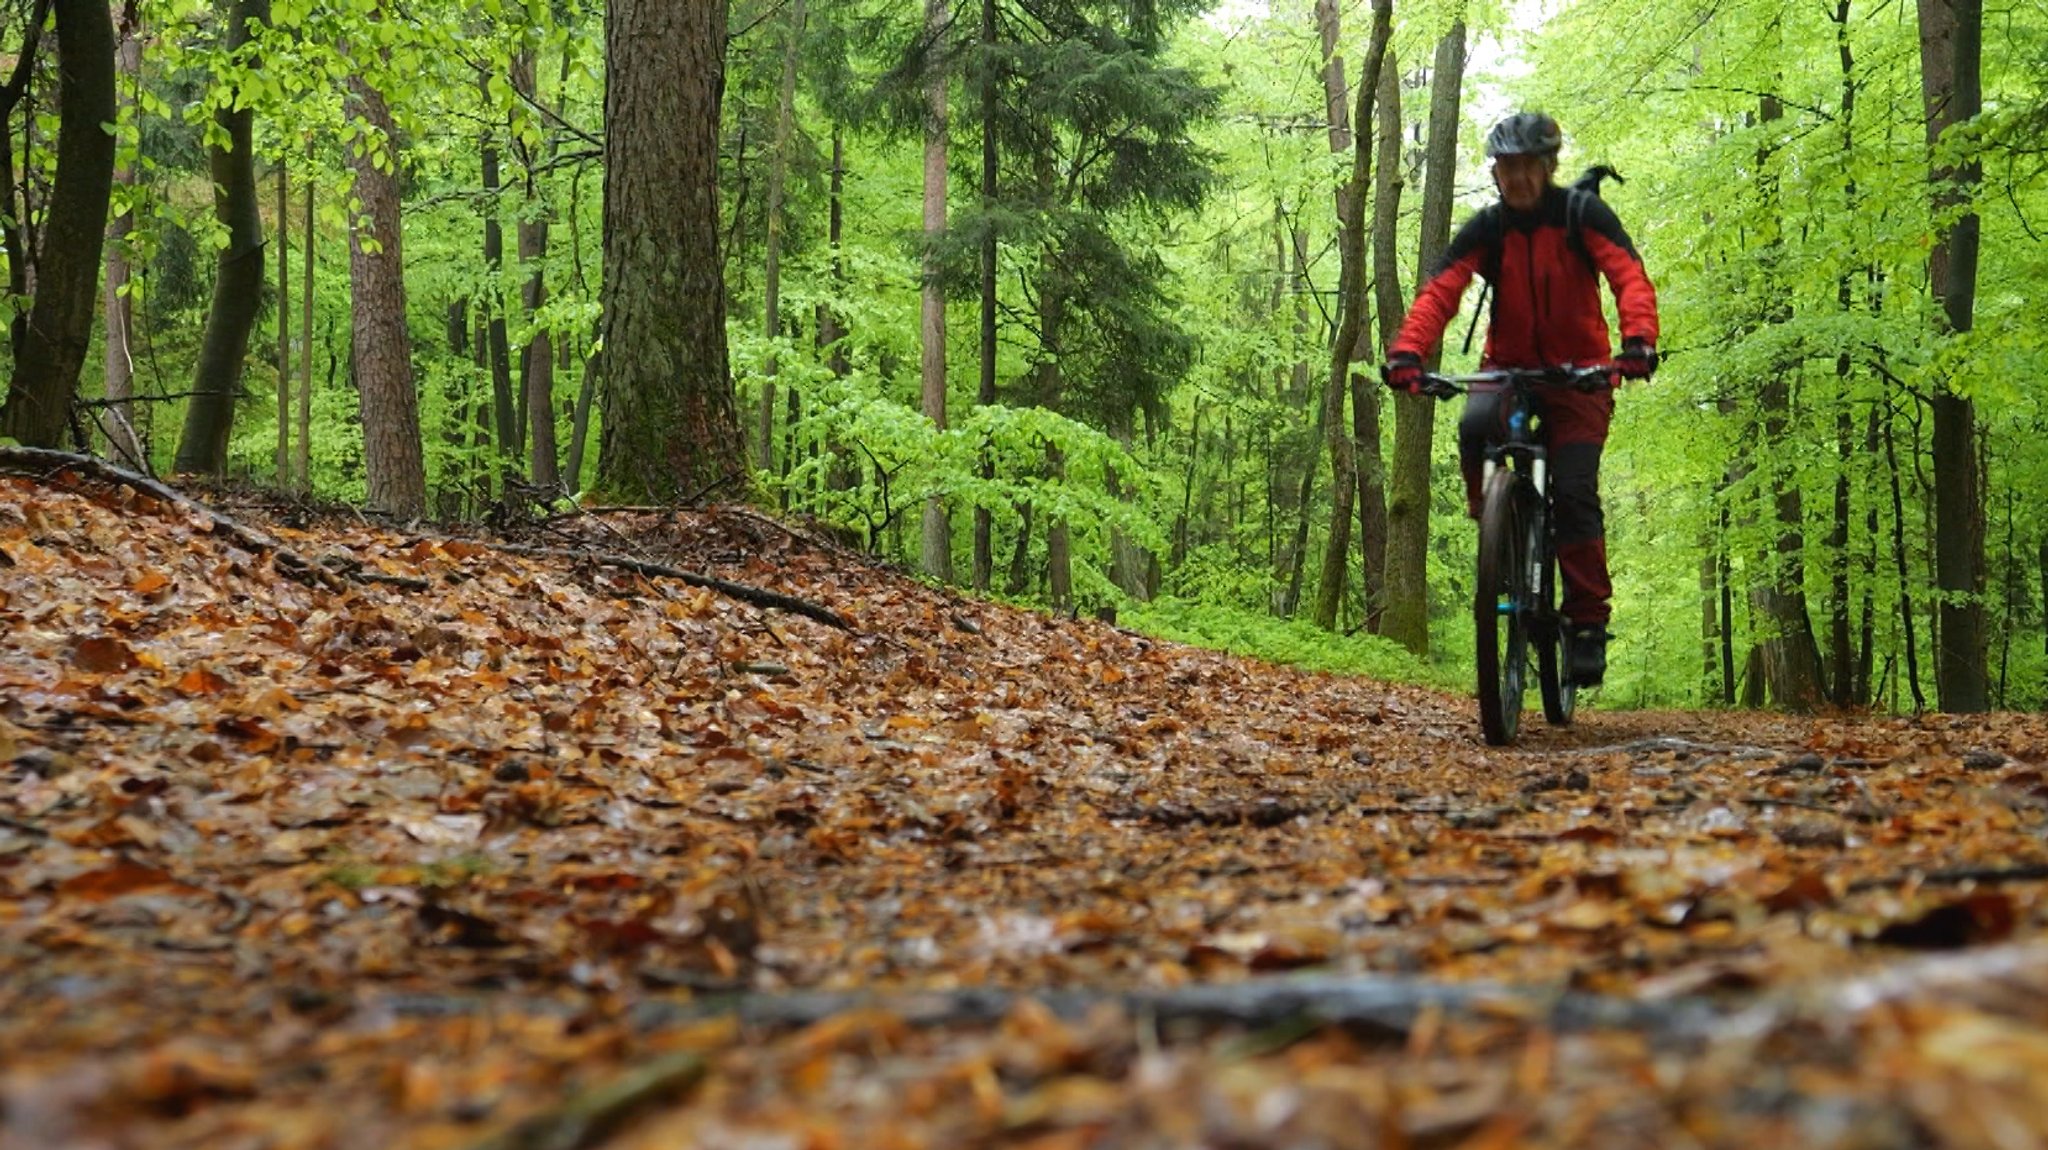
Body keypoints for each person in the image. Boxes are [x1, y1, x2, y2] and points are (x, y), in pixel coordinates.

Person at [1383, 111, 1659, 688]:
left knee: (1576, 490)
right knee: (1473, 424)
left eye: (1528, 166)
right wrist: (1408, 352)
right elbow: (1441, 291)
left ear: (1549, 166)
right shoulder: (1487, 228)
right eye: (1507, 167)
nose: (1518, 178)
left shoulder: (1583, 214)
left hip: (1580, 373)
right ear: (1496, 172)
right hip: (1507, 368)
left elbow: (1628, 277)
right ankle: (1495, 528)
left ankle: (1587, 624)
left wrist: (1637, 343)